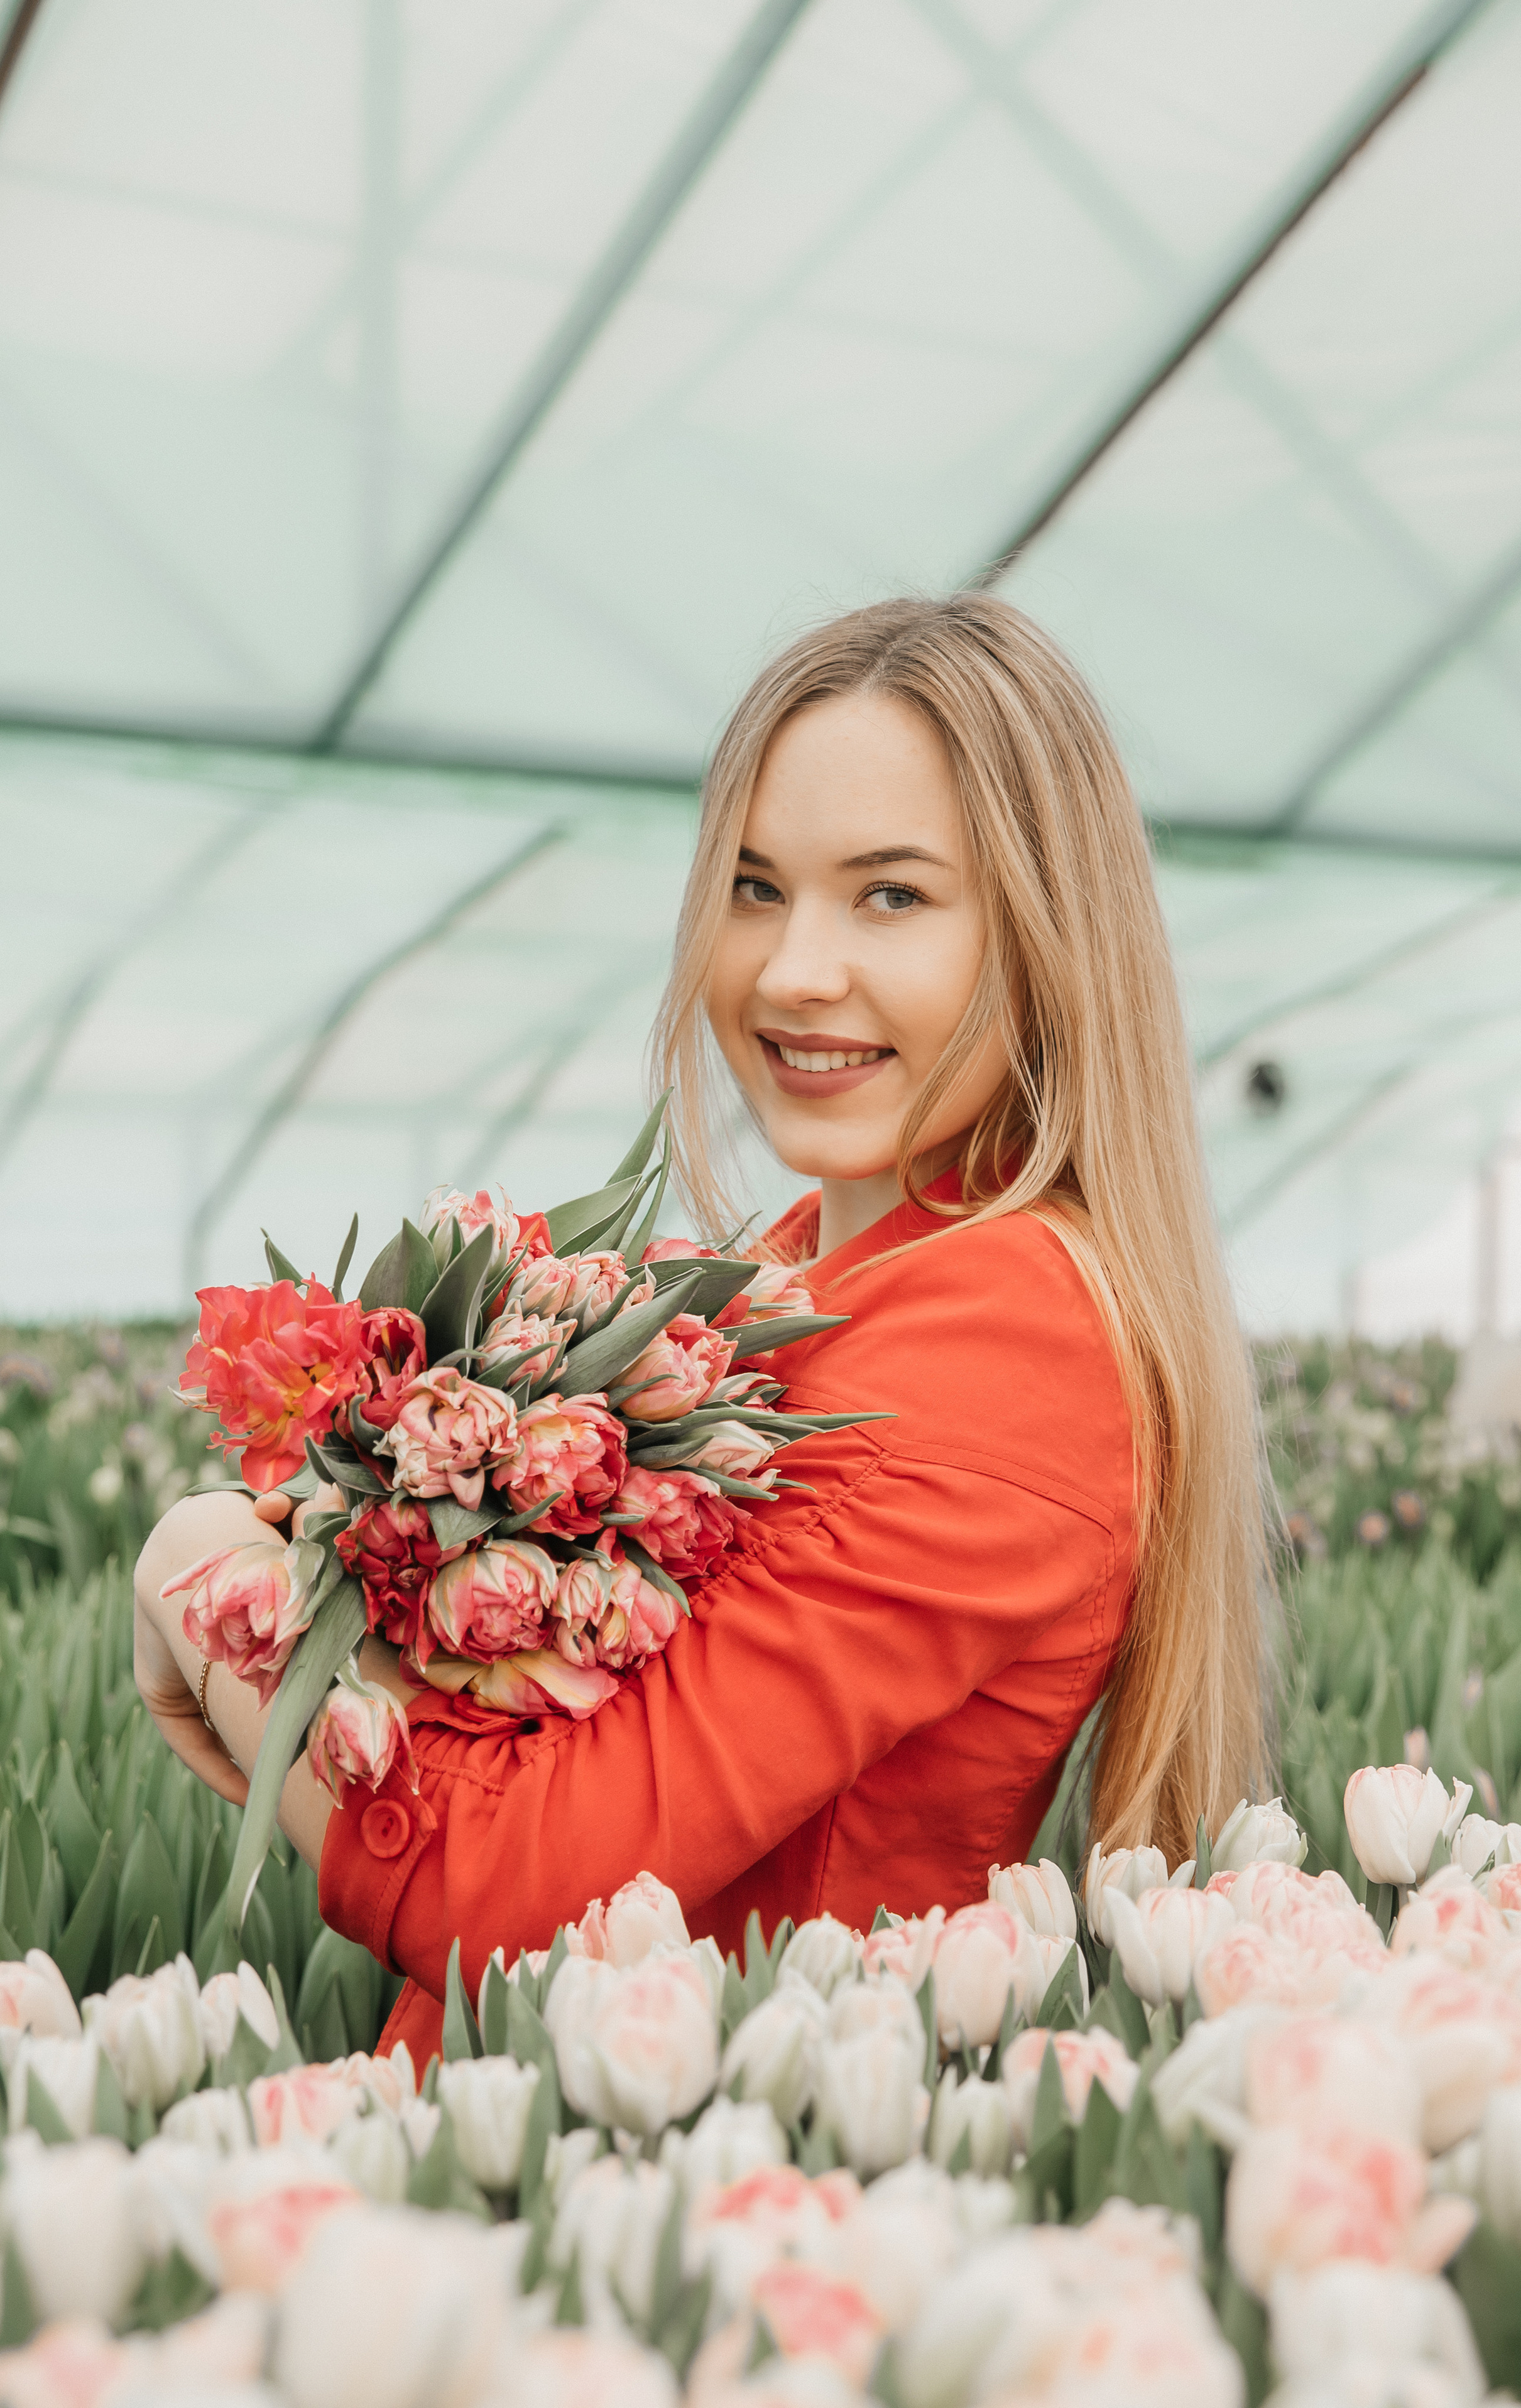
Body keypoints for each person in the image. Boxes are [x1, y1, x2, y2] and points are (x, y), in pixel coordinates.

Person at [134, 594, 1272, 2062]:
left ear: (1050, 936)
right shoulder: (801, 1265)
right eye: (752, 887)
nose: (791, 970)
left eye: (891, 896)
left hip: (671, 2188)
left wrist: (205, 1575)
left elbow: (518, 1896)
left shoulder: (1006, 1341)